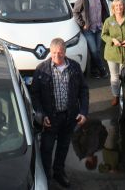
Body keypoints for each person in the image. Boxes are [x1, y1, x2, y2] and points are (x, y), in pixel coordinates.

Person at [30, 38, 89, 188]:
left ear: (65, 53)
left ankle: (59, 172)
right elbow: (35, 95)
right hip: (50, 118)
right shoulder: (41, 70)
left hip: (69, 117)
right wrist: (41, 115)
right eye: (54, 53)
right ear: (50, 52)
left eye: (61, 54)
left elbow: (83, 90)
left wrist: (83, 111)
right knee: (47, 148)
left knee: (63, 147)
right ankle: (45, 177)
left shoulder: (74, 67)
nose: (57, 57)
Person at [101, 0, 125, 106]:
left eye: (120, 5)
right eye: (116, 6)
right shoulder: (109, 21)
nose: (119, 8)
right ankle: (116, 95)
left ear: (124, 7)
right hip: (112, 53)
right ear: (113, 8)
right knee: (115, 76)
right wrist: (112, 40)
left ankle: (124, 95)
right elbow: (103, 35)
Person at [72, 0, 109, 79]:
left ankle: (93, 71)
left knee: (96, 51)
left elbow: (105, 11)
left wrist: (106, 23)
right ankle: (102, 70)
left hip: (99, 28)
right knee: (93, 51)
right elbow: (75, 12)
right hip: (89, 30)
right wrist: (82, 23)